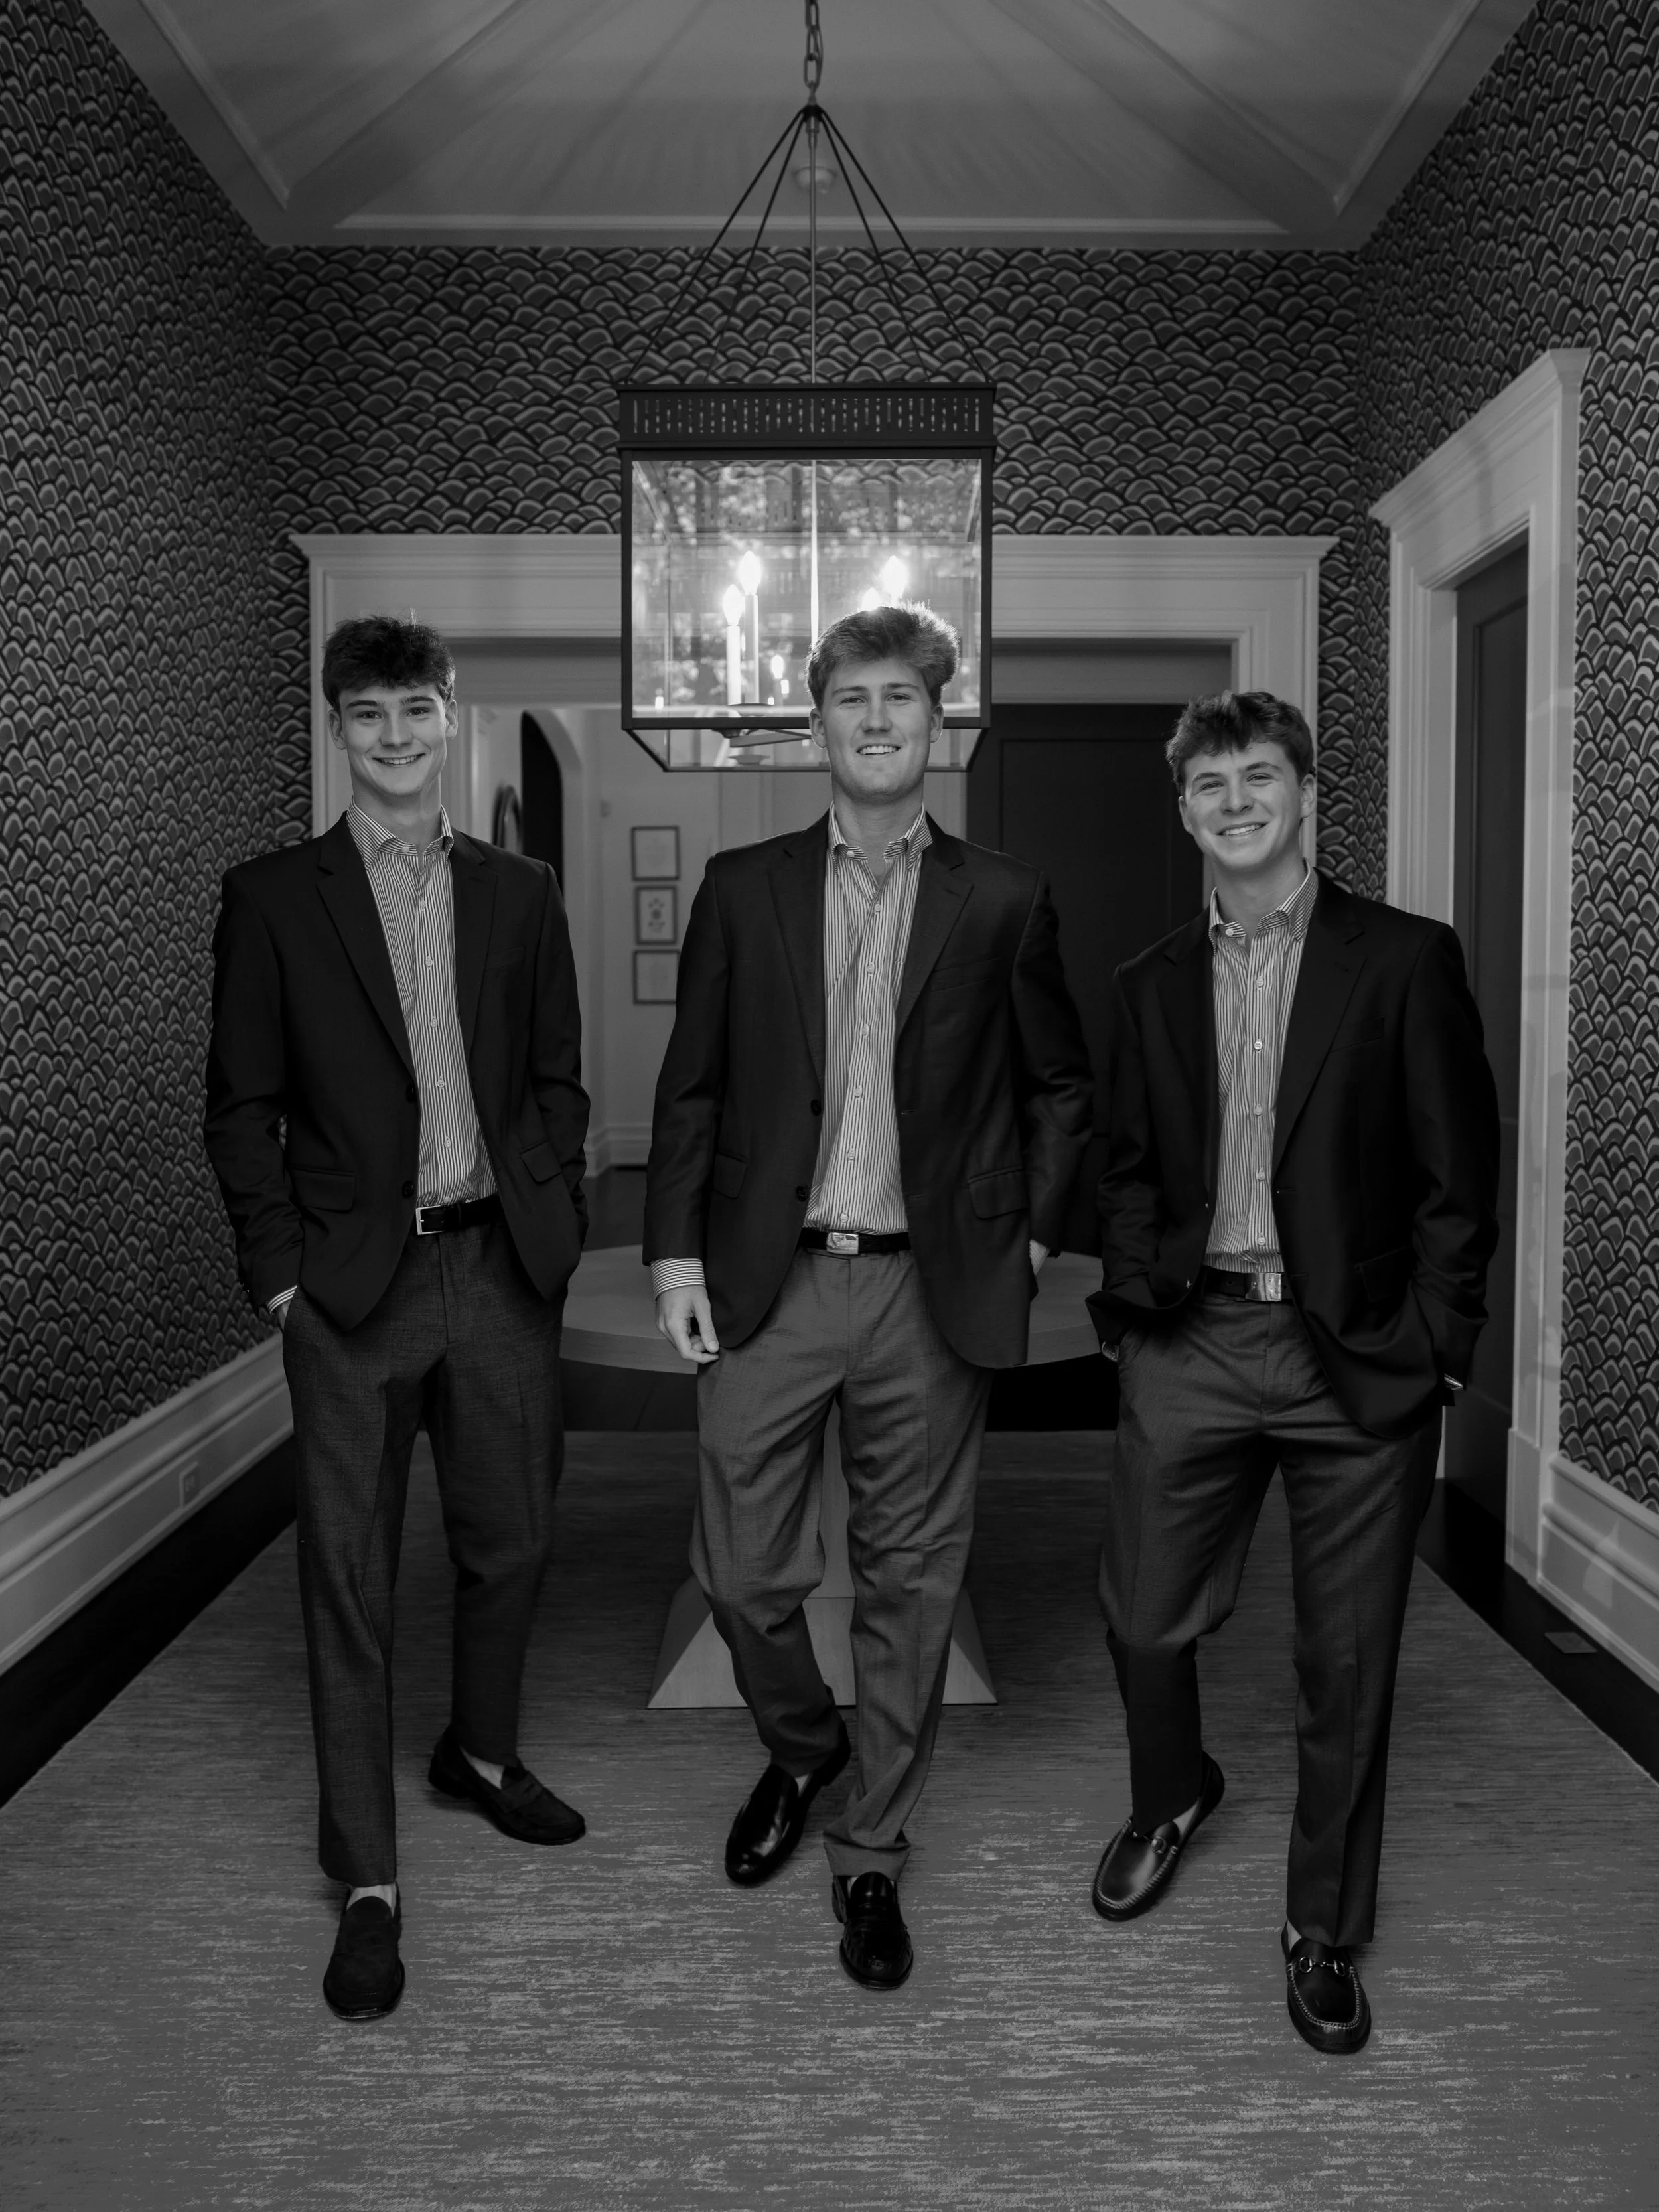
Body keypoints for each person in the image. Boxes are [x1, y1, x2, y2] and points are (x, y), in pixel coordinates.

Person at [644, 603, 1092, 1990]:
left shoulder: (1004, 898)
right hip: (771, 1282)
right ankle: (803, 1749)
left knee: (909, 1581)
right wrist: (672, 1254)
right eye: (852, 697)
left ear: (938, 719)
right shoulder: (741, 886)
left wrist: (1018, 1243)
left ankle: (870, 1857)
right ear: (819, 721)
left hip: (927, 1290)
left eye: (902, 696)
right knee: (736, 1566)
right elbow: (696, 1089)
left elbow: (1057, 1090)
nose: (878, 719)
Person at [1088, 688, 1499, 2055]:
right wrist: (1133, 1314)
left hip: (1356, 1359)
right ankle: (1170, 1791)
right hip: (1191, 1338)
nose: (1234, 801)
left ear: (1304, 792)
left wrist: (1438, 1346)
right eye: (1208, 784)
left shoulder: (1401, 960)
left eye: (1258, 776)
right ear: (1184, 807)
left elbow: (1458, 1176)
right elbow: (1129, 1166)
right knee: (1143, 1616)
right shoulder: (1144, 982)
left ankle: (1322, 1922)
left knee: (1346, 1661)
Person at [204, 616, 591, 2020]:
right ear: (336, 726)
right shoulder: (272, 898)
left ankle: (478, 1755)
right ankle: (366, 1878)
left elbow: (557, 1072)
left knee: (512, 1539)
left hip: (498, 1270)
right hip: (351, 1290)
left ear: (447, 713)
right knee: (350, 1577)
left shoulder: (521, 887)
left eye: (414, 709)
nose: (393, 735)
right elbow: (239, 1108)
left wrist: (556, 1213)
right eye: (364, 713)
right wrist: (284, 1276)